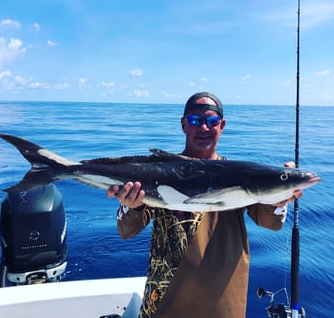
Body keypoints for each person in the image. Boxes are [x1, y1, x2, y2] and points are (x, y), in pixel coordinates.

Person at [107, 92, 302, 318]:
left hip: (223, 301)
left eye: (211, 121)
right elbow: (126, 230)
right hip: (164, 299)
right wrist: (132, 205)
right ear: (183, 125)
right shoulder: (161, 172)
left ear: (222, 126)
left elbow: (270, 222)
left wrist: (278, 199)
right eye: (195, 120)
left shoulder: (238, 174)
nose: (204, 127)